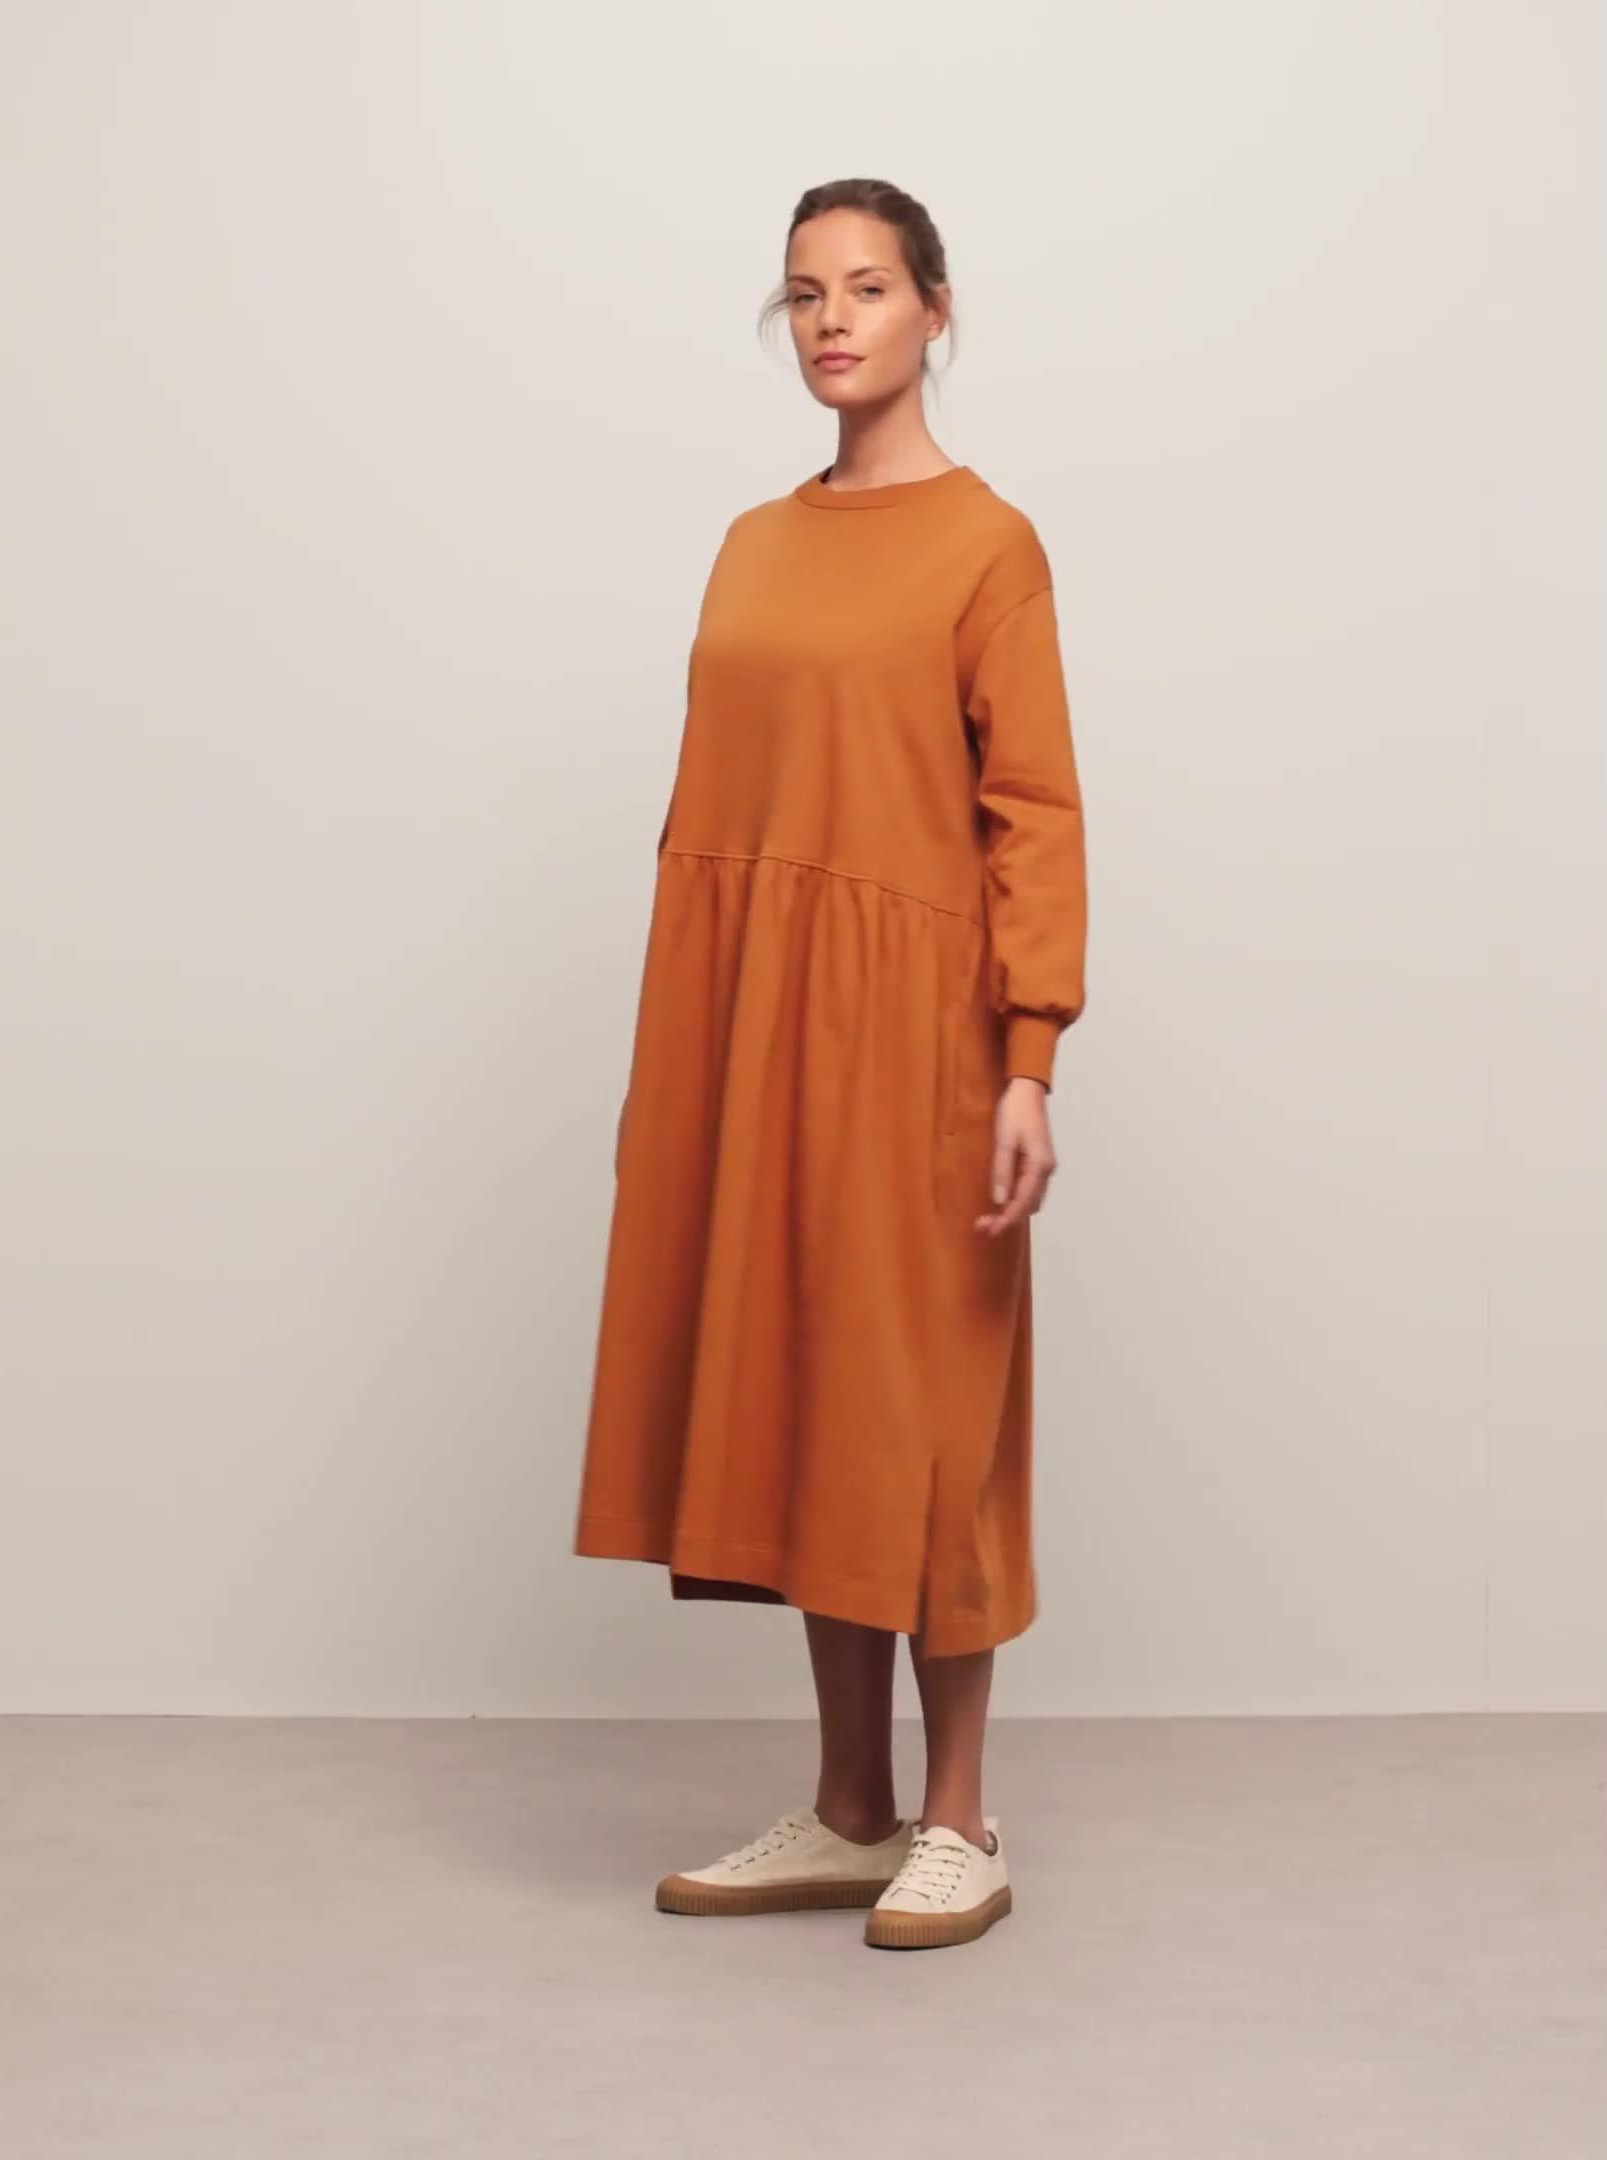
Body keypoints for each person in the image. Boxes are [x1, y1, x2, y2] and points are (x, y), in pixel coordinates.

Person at [572, 176, 1088, 1952]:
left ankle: (961, 1818)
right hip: (758, 1025)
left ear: (937, 309)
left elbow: (1035, 812)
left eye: (868, 288)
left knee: (925, 1410)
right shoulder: (752, 541)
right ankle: (854, 1807)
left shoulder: (989, 543)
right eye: (805, 294)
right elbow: (711, 809)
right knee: (812, 1395)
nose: (833, 321)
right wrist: (685, 1050)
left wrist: (1029, 1060)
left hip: (921, 1036)